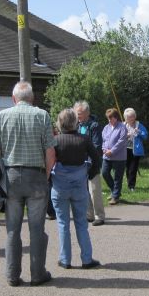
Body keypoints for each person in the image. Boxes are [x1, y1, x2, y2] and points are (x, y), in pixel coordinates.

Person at [0, 81, 56, 287]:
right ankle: (37, 274)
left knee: (12, 229)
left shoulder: (1, 116)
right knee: (37, 229)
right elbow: (50, 152)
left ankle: (12, 275)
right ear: (32, 98)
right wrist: (45, 175)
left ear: (13, 98)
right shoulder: (42, 115)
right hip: (36, 175)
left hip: (10, 178)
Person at [51, 108, 101, 269]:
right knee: (81, 223)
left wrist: (50, 180)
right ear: (75, 122)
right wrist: (89, 174)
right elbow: (97, 159)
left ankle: (65, 260)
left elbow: (49, 162)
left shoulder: (55, 140)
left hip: (60, 187)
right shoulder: (84, 139)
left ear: (60, 123)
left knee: (63, 224)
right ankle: (87, 259)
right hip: (79, 186)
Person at [74, 101, 105, 226]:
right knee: (84, 190)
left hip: (92, 162)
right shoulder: (76, 125)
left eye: (80, 113)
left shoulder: (94, 125)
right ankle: (89, 215)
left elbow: (97, 146)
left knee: (94, 190)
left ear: (87, 113)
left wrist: (90, 161)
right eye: (76, 113)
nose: (78, 116)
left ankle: (99, 216)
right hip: (80, 162)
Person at [101, 108, 128, 205]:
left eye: (111, 118)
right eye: (108, 118)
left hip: (119, 157)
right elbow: (104, 140)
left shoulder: (122, 127)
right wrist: (104, 149)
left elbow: (121, 142)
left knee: (118, 177)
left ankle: (115, 196)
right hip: (106, 157)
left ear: (116, 117)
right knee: (104, 173)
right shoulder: (106, 128)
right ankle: (115, 191)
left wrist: (112, 151)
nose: (109, 120)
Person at [123, 107, 148, 191]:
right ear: (125, 118)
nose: (130, 118)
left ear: (135, 116)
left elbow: (145, 136)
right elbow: (118, 136)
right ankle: (129, 184)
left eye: (132, 116)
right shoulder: (123, 125)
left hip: (135, 150)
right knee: (127, 167)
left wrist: (139, 132)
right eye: (128, 117)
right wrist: (126, 135)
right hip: (125, 149)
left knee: (133, 168)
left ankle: (131, 186)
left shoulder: (139, 125)